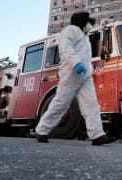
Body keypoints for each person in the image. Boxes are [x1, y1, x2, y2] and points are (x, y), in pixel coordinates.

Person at [35, 12, 117, 145]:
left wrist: (105, 23)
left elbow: (92, 28)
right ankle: (42, 130)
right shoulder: (69, 31)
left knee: (91, 104)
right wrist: (76, 63)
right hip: (71, 72)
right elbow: (66, 48)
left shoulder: (83, 35)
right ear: (82, 22)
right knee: (61, 103)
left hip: (84, 74)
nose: (89, 24)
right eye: (87, 22)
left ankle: (96, 135)